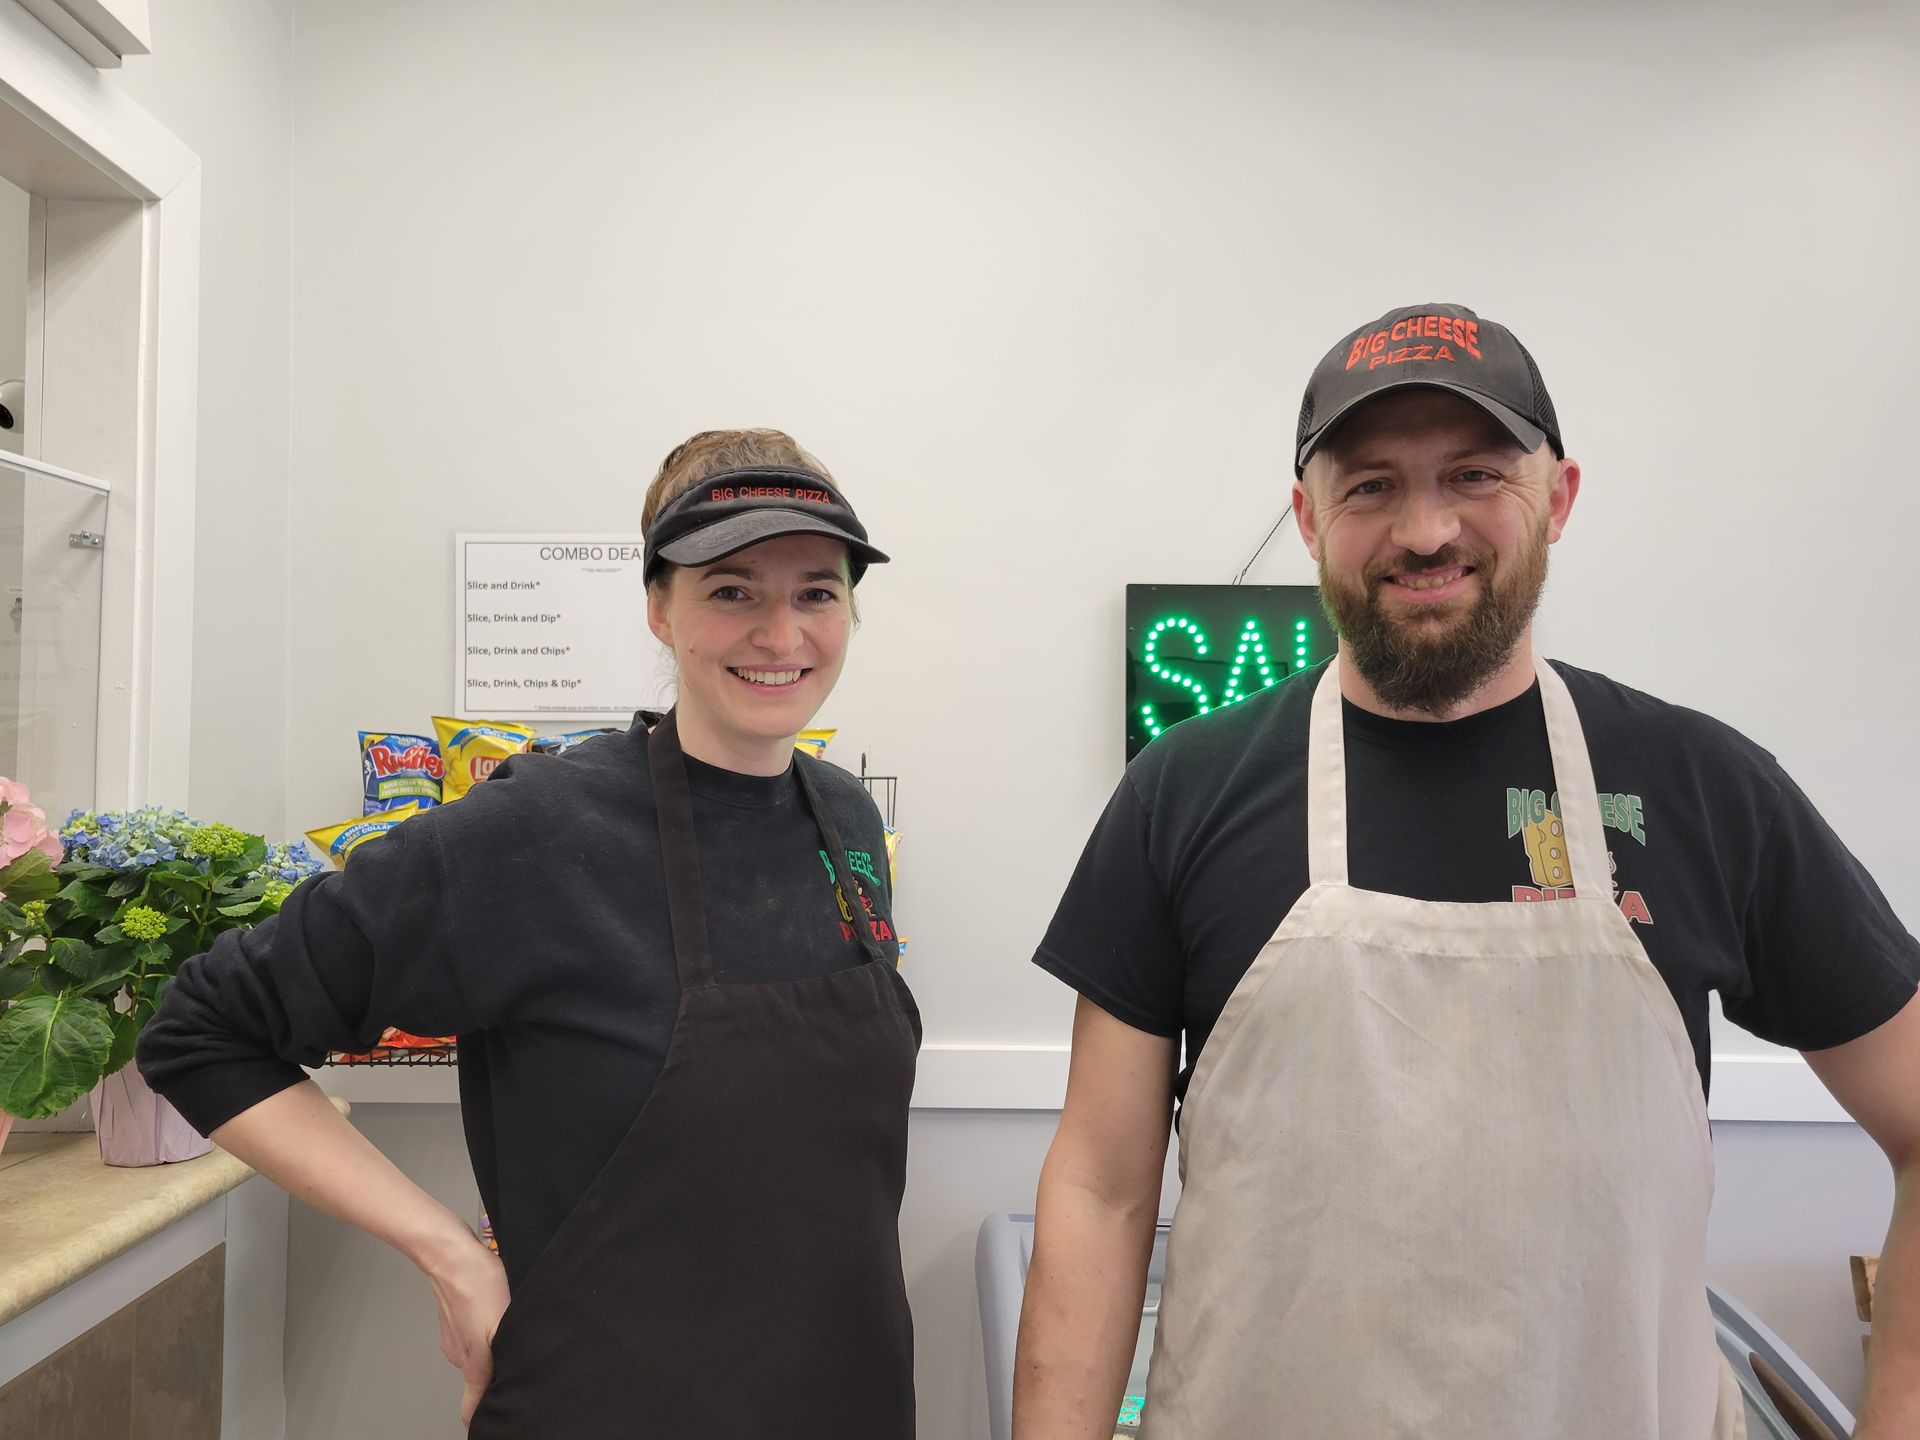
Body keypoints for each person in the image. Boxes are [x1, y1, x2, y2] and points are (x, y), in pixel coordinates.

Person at [1013, 305, 1919, 1439]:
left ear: (1561, 496)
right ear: (1307, 518)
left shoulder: (1703, 787)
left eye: (1475, 473)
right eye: (1371, 486)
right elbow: (1099, 1192)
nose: (1426, 529)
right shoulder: (1184, 792)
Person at [138, 428, 920, 1437]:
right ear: (658, 607)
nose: (782, 634)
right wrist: (450, 1256)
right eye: (732, 590)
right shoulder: (541, 831)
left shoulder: (845, 819)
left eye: (816, 591)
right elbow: (201, 1029)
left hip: (843, 1401)